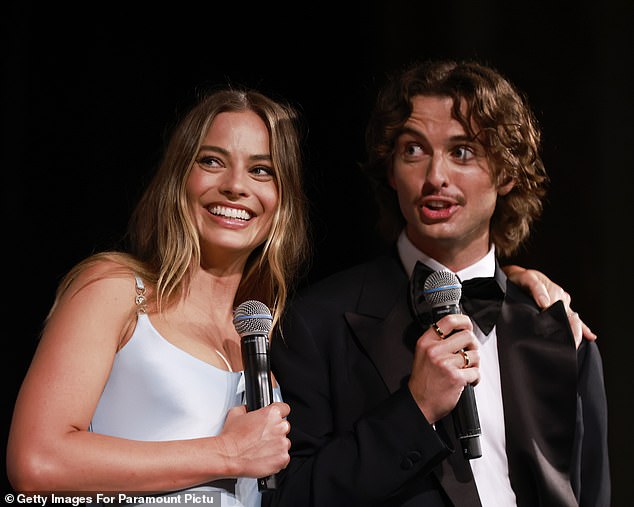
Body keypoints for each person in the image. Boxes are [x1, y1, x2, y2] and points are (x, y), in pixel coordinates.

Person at [265, 59, 609, 506]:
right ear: (390, 171)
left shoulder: (558, 328)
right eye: (413, 151)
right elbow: (290, 499)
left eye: (462, 151)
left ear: (506, 173)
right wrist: (414, 408)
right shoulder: (315, 322)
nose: (435, 178)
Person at [6, 87, 310, 506]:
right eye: (212, 161)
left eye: (261, 170)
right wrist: (228, 453)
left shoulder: (260, 334)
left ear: (282, 199)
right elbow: (36, 462)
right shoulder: (115, 288)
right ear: (180, 176)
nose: (236, 186)